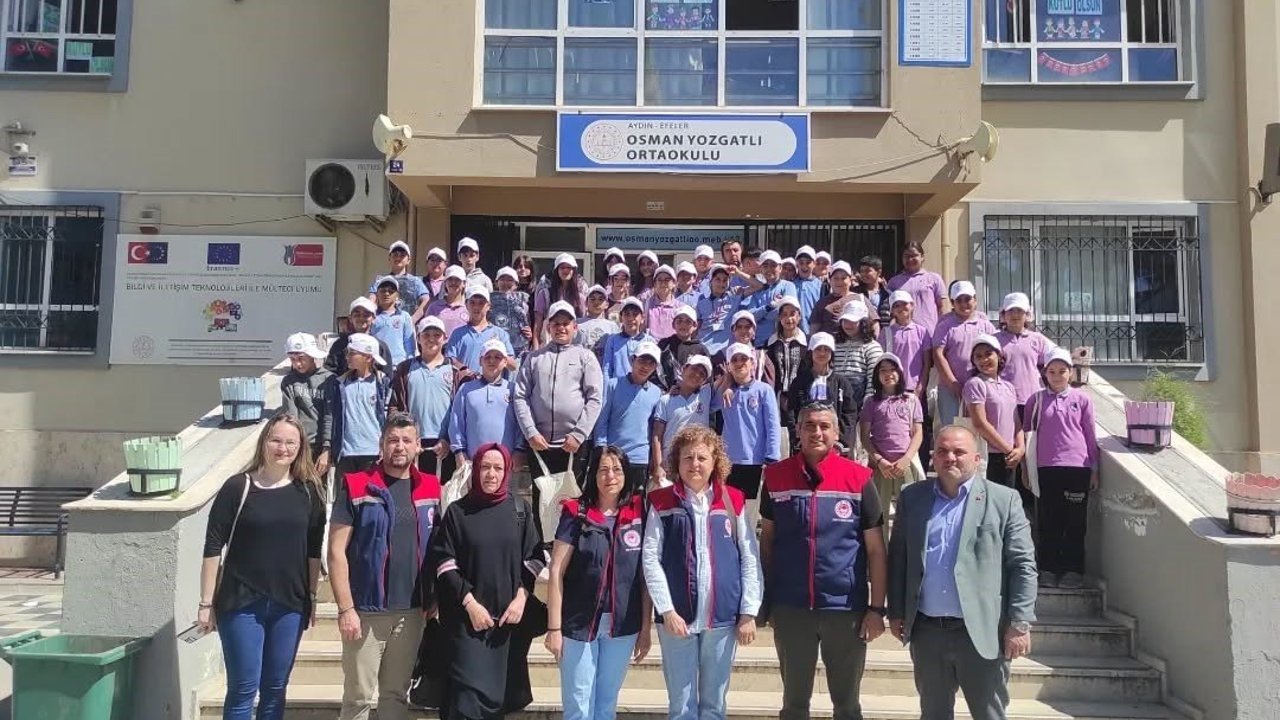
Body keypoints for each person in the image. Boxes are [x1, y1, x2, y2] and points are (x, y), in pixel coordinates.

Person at [887, 426, 1038, 720]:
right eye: (943, 451)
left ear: (977, 459)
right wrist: (896, 611)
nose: (950, 458)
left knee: (989, 714)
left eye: (959, 452)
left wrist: (1020, 622)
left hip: (981, 632)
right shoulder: (912, 498)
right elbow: (899, 557)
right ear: (933, 458)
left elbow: (1022, 565)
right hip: (928, 632)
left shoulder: (1004, 500)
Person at [760, 402, 888, 720]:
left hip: (845, 610)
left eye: (824, 426)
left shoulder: (859, 478)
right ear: (798, 431)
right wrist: (767, 601)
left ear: (837, 432)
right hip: (791, 608)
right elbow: (767, 543)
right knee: (794, 706)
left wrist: (876, 609)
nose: (817, 432)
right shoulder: (775, 477)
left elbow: (875, 550)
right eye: (809, 425)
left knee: (847, 706)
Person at [198, 415, 326, 720]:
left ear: (301, 447)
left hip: (290, 604)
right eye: (276, 440)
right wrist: (206, 603)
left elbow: (312, 551)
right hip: (241, 602)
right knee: (243, 688)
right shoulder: (238, 487)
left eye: (291, 442)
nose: (283, 448)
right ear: (264, 442)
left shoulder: (310, 492)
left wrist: (312, 596)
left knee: (275, 689)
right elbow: (213, 547)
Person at [642, 425, 763, 720]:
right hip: (676, 619)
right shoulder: (661, 502)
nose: (694, 464)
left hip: (722, 618)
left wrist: (748, 611)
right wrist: (667, 610)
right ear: (676, 462)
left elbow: (749, 557)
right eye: (687, 457)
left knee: (714, 705)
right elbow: (650, 558)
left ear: (715, 462)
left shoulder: (733, 500)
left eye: (702, 457)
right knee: (681, 706)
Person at [328, 413, 442, 720]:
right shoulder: (357, 486)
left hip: (412, 613)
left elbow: (437, 548)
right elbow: (336, 552)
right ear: (381, 444)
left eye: (406, 440)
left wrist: (434, 595)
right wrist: (346, 609)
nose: (399, 446)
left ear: (418, 446)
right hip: (366, 612)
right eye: (393, 440)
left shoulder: (431, 488)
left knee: (396, 695)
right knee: (358, 698)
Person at [430, 443, 547, 720]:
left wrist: (521, 599)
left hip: (505, 627)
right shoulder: (457, 512)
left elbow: (534, 558)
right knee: (466, 701)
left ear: (507, 471)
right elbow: (444, 563)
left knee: (497, 703)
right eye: (485, 467)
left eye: (497, 468)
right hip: (467, 624)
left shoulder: (520, 510)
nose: (491, 474)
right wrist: (470, 604)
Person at [545, 447, 652, 720]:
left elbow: (644, 577)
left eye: (617, 469)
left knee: (606, 704)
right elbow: (556, 570)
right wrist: (554, 628)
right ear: (593, 474)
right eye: (603, 469)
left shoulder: (639, 513)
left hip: (622, 625)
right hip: (578, 623)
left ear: (626, 474)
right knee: (579, 706)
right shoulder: (576, 512)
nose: (610, 476)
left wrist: (645, 628)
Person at [514, 300, 605, 511]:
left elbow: (595, 398)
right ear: (548, 327)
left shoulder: (585, 357)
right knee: (542, 502)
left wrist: (579, 435)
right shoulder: (534, 358)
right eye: (556, 324)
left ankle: (569, 535)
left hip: (573, 445)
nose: (561, 328)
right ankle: (542, 535)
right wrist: (530, 433)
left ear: (575, 327)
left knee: (572, 503)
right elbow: (520, 396)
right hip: (540, 444)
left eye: (566, 323)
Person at [1025, 348, 1098, 590]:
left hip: (1077, 468)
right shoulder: (1035, 401)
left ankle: (1073, 570)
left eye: (1062, 371)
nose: (1057, 376)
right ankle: (1047, 568)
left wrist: (1095, 468)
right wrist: (1026, 469)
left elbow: (1090, 435)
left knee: (1075, 522)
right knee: (1048, 520)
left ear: (1070, 373)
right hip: (1046, 468)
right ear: (1045, 373)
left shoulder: (1082, 399)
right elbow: (1027, 437)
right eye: (1052, 371)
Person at [713, 343, 782, 528]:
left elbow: (772, 425)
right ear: (729, 365)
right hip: (729, 461)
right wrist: (726, 383)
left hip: (754, 461)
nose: (739, 363)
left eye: (744, 359)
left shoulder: (763, 390)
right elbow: (709, 404)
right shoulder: (725, 392)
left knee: (748, 515)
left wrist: (772, 457)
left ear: (752, 363)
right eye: (734, 360)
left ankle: (749, 545)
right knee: (728, 511)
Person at [390, 316, 458, 480]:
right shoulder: (405, 369)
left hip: (445, 444)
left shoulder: (456, 370)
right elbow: (395, 407)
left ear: (445, 338)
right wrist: (406, 438)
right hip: (413, 442)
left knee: (443, 491)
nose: (431, 339)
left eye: (436, 335)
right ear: (418, 338)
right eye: (426, 335)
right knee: (414, 490)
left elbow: (461, 412)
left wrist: (448, 439)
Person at [596, 341, 664, 493]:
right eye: (642, 361)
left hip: (640, 458)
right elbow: (602, 419)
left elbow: (654, 429)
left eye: (651, 363)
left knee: (636, 502)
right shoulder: (612, 385)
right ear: (633, 360)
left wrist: (654, 461)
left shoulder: (657, 393)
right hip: (614, 456)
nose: (645, 367)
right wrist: (602, 448)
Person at [860, 354, 926, 511]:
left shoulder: (911, 400)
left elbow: (918, 433)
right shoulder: (871, 402)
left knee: (909, 509)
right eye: (883, 370)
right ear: (877, 375)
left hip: (905, 463)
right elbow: (864, 436)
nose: (888, 374)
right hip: (881, 466)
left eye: (892, 370)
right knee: (879, 510)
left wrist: (906, 459)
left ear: (900, 373)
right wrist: (879, 461)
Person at [932, 281, 998, 428]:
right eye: (959, 300)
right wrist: (952, 383)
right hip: (950, 389)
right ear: (952, 303)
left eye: (967, 299)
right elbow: (938, 355)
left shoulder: (986, 325)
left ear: (975, 300)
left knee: (979, 428)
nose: (964, 304)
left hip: (981, 387)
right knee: (952, 429)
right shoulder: (945, 326)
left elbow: (996, 354)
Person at [964, 334, 1024, 490]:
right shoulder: (975, 384)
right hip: (988, 456)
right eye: (978, 356)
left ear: (999, 356)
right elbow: (979, 423)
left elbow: (1016, 421)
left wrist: (1020, 448)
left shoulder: (1009, 387)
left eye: (988, 354)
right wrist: (1008, 450)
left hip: (1009, 457)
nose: (984, 360)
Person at [787, 333, 860, 456]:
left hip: (835, 446)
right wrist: (797, 437)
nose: (822, 353)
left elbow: (849, 415)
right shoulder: (799, 382)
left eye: (826, 349)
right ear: (811, 352)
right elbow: (791, 412)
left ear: (832, 353)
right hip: (805, 442)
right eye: (818, 349)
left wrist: (840, 441)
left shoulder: (842, 383)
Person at [449, 339, 519, 466]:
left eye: (497, 357)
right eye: (487, 357)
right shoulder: (466, 389)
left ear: (505, 362)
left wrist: (519, 450)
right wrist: (459, 451)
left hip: (505, 462)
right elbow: (456, 422)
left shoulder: (513, 389)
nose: (492, 361)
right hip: (473, 460)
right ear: (480, 361)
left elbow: (520, 424)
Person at [331, 333, 390, 477]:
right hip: (346, 452)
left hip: (373, 451)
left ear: (368, 358)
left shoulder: (382, 383)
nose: (347, 357)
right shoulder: (341, 384)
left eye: (352, 353)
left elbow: (387, 416)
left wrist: (385, 445)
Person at [652, 355, 714, 489]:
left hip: (696, 466)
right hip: (669, 465)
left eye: (702, 374)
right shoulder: (665, 400)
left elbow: (728, 379)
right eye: (694, 369)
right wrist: (658, 466)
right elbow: (657, 435)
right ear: (684, 368)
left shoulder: (707, 395)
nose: (697, 375)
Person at [281, 332, 336, 476]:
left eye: (301, 358)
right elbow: (290, 416)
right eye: (292, 359)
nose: (297, 364)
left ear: (312, 356)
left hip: (322, 446)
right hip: (299, 445)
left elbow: (330, 415)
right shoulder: (288, 382)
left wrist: (327, 448)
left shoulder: (329, 380)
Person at [446, 285, 515, 375]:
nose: (476, 307)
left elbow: (513, 366)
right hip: (466, 383)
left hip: (492, 383)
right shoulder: (457, 333)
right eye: (472, 303)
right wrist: (464, 370)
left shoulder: (501, 334)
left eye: (481, 303)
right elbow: (450, 359)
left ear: (488, 306)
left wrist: (498, 352)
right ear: (466, 305)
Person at [886, 241, 947, 334]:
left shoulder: (934, 278)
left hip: (930, 332)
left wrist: (941, 330)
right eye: (907, 256)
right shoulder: (894, 282)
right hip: (903, 334)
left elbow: (942, 307)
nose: (910, 259)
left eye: (914, 255)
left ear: (922, 257)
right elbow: (890, 311)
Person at [742, 250, 798, 348]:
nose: (769, 269)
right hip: (760, 343)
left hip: (783, 343)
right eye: (765, 266)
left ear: (780, 268)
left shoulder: (788, 286)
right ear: (761, 269)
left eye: (773, 265)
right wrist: (768, 307)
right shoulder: (758, 290)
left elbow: (785, 313)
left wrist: (763, 314)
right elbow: (751, 316)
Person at [710, 310, 777, 388]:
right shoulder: (721, 357)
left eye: (747, 327)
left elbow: (769, 388)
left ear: (754, 331)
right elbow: (715, 387)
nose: (743, 331)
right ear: (733, 330)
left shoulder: (761, 357)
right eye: (739, 327)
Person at [765, 296, 806, 422]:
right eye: (784, 314)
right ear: (779, 317)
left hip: (801, 396)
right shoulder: (771, 343)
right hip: (777, 396)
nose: (789, 319)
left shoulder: (806, 342)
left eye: (793, 314)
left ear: (799, 316)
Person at [326, 297, 393, 376]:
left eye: (366, 315)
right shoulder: (340, 344)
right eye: (357, 315)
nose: (361, 318)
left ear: (374, 318)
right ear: (350, 318)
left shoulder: (380, 346)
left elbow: (387, 375)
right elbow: (330, 371)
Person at [833, 302, 884, 403]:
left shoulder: (872, 347)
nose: (848, 325)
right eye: (845, 321)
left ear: (863, 323)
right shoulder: (834, 345)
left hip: (858, 399)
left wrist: (868, 401)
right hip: (835, 397)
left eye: (853, 321)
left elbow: (873, 378)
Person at [810, 260, 874, 338]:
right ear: (830, 280)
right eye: (836, 278)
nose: (839, 282)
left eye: (843, 278)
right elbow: (813, 331)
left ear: (850, 280)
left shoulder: (861, 299)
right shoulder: (822, 303)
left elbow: (874, 325)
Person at [369, 241, 430, 321]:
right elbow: (371, 301)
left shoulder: (416, 281)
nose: (398, 258)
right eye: (395, 255)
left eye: (402, 255)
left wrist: (413, 320)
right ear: (389, 258)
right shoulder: (379, 280)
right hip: (384, 323)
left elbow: (426, 300)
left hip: (407, 324)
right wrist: (375, 319)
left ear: (408, 260)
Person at [534, 254, 587, 345]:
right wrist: (535, 347)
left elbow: (583, 323)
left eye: (569, 267)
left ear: (574, 271)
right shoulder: (545, 294)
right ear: (556, 270)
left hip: (573, 345)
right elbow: (537, 325)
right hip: (549, 344)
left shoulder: (580, 298)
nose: (565, 270)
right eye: (562, 267)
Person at [600, 298, 655, 381]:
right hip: (617, 387)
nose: (631, 318)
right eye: (627, 314)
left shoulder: (650, 341)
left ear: (642, 318)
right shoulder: (613, 340)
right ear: (621, 318)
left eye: (635, 314)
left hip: (641, 387)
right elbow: (607, 369)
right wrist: (607, 388)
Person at [371, 276, 416, 369]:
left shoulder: (404, 316)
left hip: (399, 366)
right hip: (377, 365)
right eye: (383, 291)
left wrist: (409, 364)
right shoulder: (371, 316)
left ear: (397, 295)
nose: (387, 294)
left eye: (391, 291)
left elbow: (409, 344)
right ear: (377, 294)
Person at [657, 305, 707, 390]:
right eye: (679, 321)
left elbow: (705, 379)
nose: (683, 325)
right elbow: (656, 370)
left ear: (695, 325)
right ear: (673, 325)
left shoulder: (700, 350)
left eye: (688, 322)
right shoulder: (664, 344)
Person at [695, 264, 741, 356]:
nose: (721, 283)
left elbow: (758, 286)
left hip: (725, 351)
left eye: (725, 280)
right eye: (718, 279)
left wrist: (738, 272)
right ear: (711, 281)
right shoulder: (701, 304)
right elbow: (696, 328)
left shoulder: (734, 300)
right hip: (704, 349)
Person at [490, 266, 533, 357]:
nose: (506, 282)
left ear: (516, 284)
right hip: (494, 348)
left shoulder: (524, 301)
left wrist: (529, 333)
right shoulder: (489, 301)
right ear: (496, 283)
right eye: (502, 279)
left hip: (518, 350)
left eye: (510, 280)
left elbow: (528, 323)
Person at [574, 284, 620, 359]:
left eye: (600, 299)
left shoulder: (612, 326)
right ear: (586, 303)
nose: (596, 302)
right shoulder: (578, 324)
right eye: (592, 299)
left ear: (607, 304)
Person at [425, 266, 470, 340]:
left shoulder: (469, 307)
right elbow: (426, 330)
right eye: (450, 279)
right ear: (445, 283)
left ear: (464, 283)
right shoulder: (434, 307)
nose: (453, 282)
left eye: (457, 280)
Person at [792, 245, 825, 334]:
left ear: (814, 264)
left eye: (808, 262)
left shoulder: (821, 286)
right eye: (801, 262)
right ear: (796, 264)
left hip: (813, 332)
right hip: (793, 333)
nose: (804, 266)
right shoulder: (790, 285)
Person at [856, 255, 892, 334]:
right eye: (861, 271)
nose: (864, 274)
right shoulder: (855, 293)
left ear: (879, 272)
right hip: (860, 335)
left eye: (867, 271)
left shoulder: (888, 295)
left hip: (883, 335)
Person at [645, 264, 681, 341]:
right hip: (652, 346)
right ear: (655, 284)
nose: (663, 283)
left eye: (667, 280)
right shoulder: (647, 304)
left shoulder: (680, 307)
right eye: (660, 280)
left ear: (674, 283)